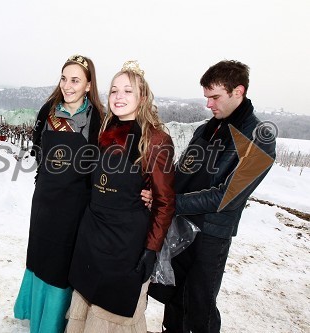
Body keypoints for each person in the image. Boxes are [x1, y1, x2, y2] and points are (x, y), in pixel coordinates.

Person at [145, 60, 277, 332]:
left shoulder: (259, 137)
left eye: (215, 97)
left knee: (199, 304)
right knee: (174, 299)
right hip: (181, 226)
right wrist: (157, 188)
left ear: (238, 91)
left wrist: (170, 203)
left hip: (211, 235)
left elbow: (226, 196)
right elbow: (182, 173)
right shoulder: (206, 128)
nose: (209, 105)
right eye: (207, 97)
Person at [64, 60, 175, 332]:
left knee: (113, 317)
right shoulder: (104, 131)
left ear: (143, 97)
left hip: (125, 245)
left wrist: (151, 249)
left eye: (127, 90)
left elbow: (164, 202)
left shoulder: (156, 140)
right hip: (92, 239)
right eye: (114, 90)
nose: (119, 96)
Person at [14, 54, 105, 332]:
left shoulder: (97, 118)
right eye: (64, 78)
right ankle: (34, 312)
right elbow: (39, 149)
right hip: (44, 199)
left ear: (89, 85)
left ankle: (53, 322)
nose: (67, 85)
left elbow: (98, 163)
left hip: (75, 204)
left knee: (61, 264)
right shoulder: (48, 111)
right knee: (39, 255)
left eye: (75, 80)